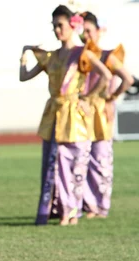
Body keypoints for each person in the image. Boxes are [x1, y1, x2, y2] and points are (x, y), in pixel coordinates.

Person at [19, 5, 112, 226]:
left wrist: (87, 97)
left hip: (74, 116)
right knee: (52, 163)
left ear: (72, 25)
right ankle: (56, 210)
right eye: (54, 26)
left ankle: (71, 211)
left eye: (60, 25)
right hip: (54, 114)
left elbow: (105, 75)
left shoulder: (82, 53)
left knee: (73, 163)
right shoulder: (50, 57)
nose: (57, 30)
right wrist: (24, 54)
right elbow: (24, 76)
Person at [80, 11, 133, 219]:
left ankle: (100, 206)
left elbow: (127, 79)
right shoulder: (79, 56)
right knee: (81, 159)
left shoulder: (106, 56)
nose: (86, 36)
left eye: (89, 30)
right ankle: (87, 205)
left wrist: (112, 97)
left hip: (100, 112)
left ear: (98, 31)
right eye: (82, 31)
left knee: (100, 159)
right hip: (81, 112)